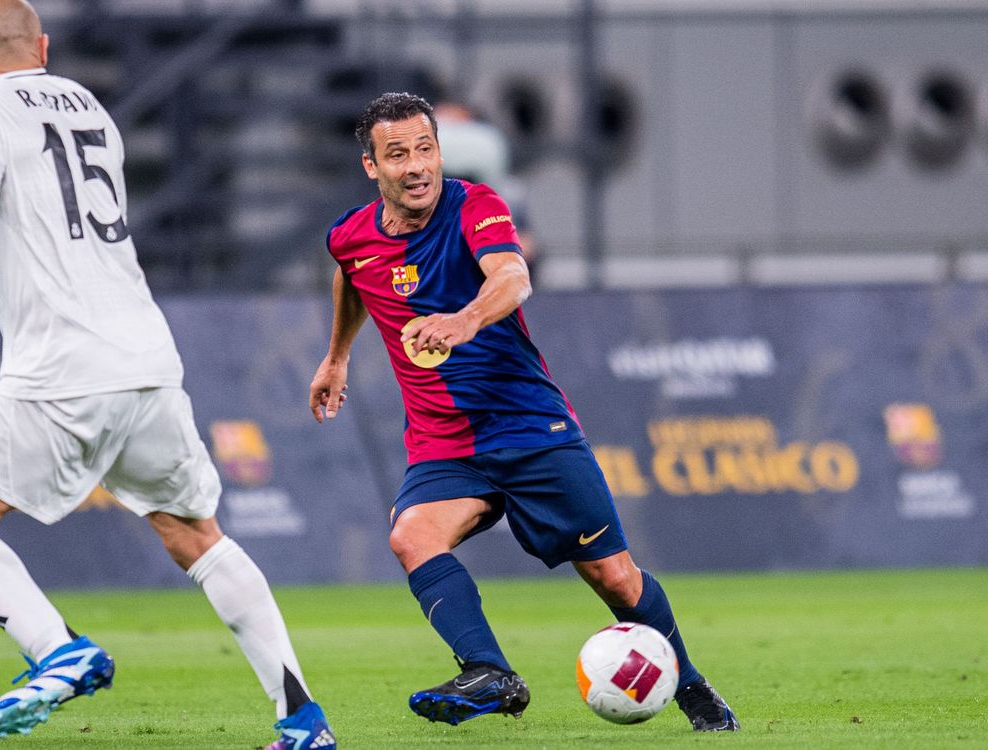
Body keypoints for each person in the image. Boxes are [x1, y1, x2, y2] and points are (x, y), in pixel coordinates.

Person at [0, 2, 335, 748]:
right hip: (148, 361)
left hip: (62, 369)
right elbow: (39, 204)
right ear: (44, 47)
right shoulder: (89, 107)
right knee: (197, 536)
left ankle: (57, 650)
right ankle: (304, 720)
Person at [308, 91, 739, 732]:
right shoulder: (351, 235)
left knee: (615, 579)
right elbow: (350, 271)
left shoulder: (474, 207)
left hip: (529, 426)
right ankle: (489, 671)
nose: (417, 166)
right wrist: (338, 354)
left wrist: (464, 319)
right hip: (445, 442)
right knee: (410, 534)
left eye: (425, 149)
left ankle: (694, 687)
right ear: (372, 167)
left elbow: (513, 278)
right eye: (397, 155)